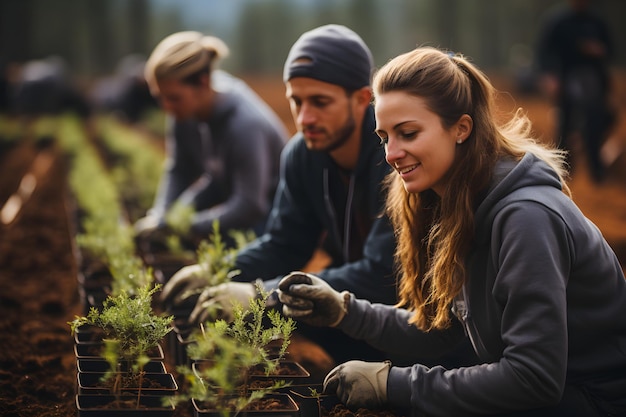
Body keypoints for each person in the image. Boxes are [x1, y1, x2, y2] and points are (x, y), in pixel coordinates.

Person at [277, 46, 626, 416]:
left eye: (408, 133)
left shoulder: (527, 219)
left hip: (594, 400)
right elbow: (442, 329)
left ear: (461, 128)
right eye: (384, 137)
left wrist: (392, 384)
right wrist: (343, 312)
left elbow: (534, 378)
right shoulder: (454, 203)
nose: (391, 154)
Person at [161, 24, 407, 366]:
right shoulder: (303, 155)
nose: (305, 118)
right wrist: (219, 269)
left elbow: (381, 276)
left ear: (362, 99)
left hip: (412, 321)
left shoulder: (396, 161)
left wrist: (263, 297)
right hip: (352, 307)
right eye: (297, 101)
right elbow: (285, 244)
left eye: (320, 102)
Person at [134, 31, 288, 250]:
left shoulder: (245, 125)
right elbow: (179, 168)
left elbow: (250, 205)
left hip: (271, 215)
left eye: (174, 98)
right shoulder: (184, 112)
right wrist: (160, 216)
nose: (166, 107)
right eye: (160, 97)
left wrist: (186, 224)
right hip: (227, 188)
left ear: (203, 83)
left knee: (225, 265)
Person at [536, 0, 614, 183]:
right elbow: (544, 51)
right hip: (566, 80)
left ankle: (597, 172)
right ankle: (562, 172)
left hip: (593, 80)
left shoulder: (597, 21)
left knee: (595, 123)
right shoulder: (557, 21)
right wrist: (550, 76)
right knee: (565, 125)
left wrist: (599, 50)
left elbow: (610, 50)